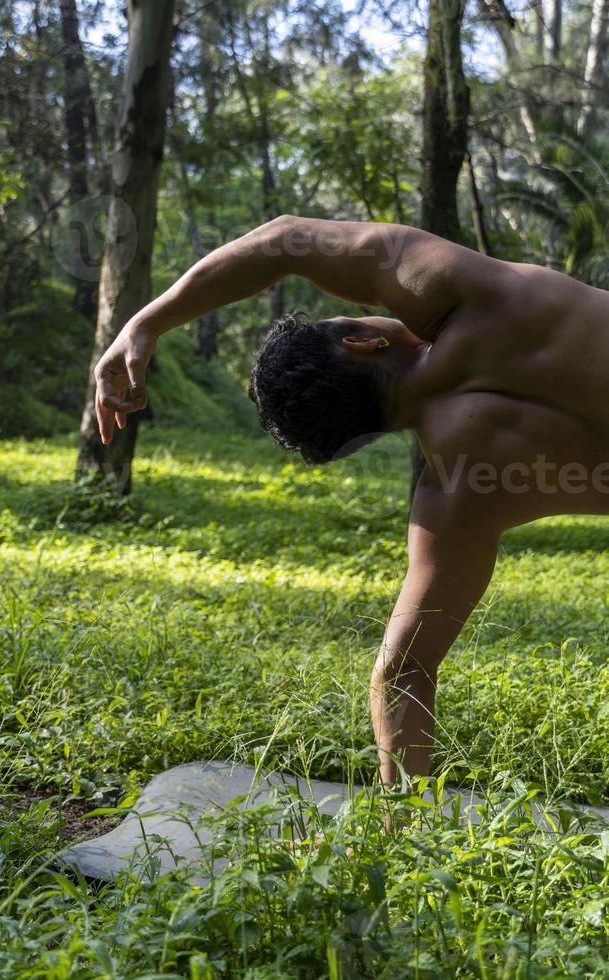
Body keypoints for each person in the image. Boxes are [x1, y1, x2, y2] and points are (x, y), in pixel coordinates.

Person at [94, 214, 609, 796]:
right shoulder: (467, 294)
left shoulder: (456, 492)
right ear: (363, 342)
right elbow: (283, 240)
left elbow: (402, 674)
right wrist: (142, 325)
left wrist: (401, 827)